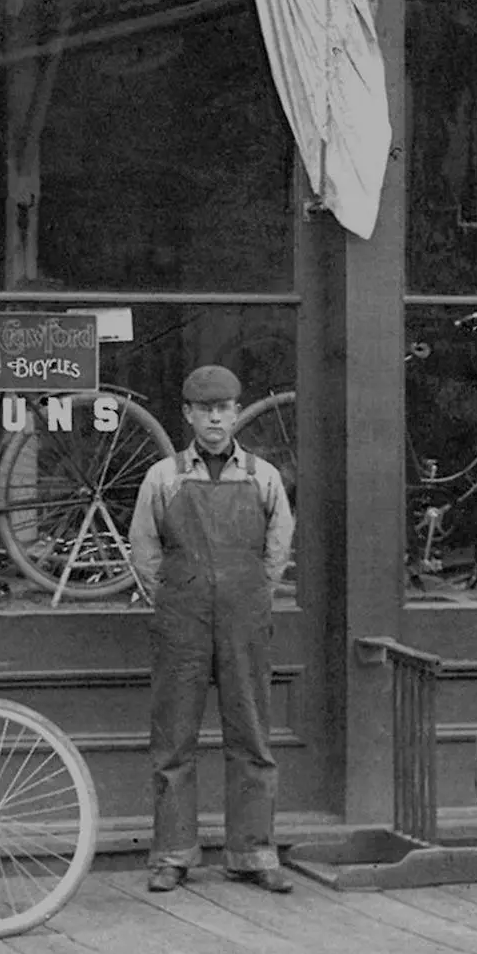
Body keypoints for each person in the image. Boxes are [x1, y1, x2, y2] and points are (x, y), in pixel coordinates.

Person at [127, 363, 296, 895]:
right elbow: (144, 553)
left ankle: (253, 851)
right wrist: (182, 594)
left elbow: (277, 550)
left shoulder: (263, 477)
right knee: (174, 737)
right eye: (205, 410)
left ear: (236, 413)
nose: (215, 419)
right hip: (182, 619)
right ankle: (173, 853)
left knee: (250, 732)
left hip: (246, 617)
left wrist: (247, 594)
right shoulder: (164, 477)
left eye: (223, 409)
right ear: (188, 415)